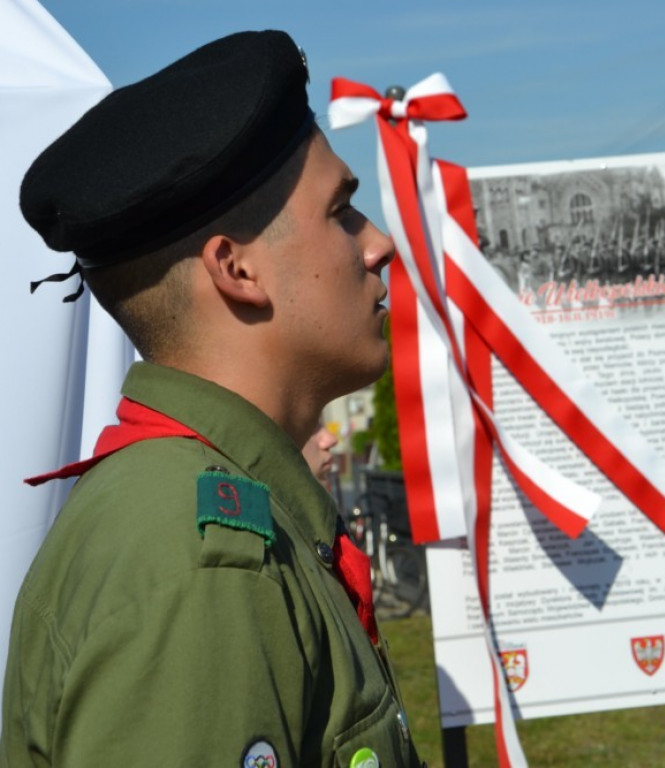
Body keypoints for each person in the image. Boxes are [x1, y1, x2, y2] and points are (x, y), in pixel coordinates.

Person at [3, 31, 422, 767]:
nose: (378, 243)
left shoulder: (197, 515)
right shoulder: (202, 566)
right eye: (342, 211)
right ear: (237, 270)